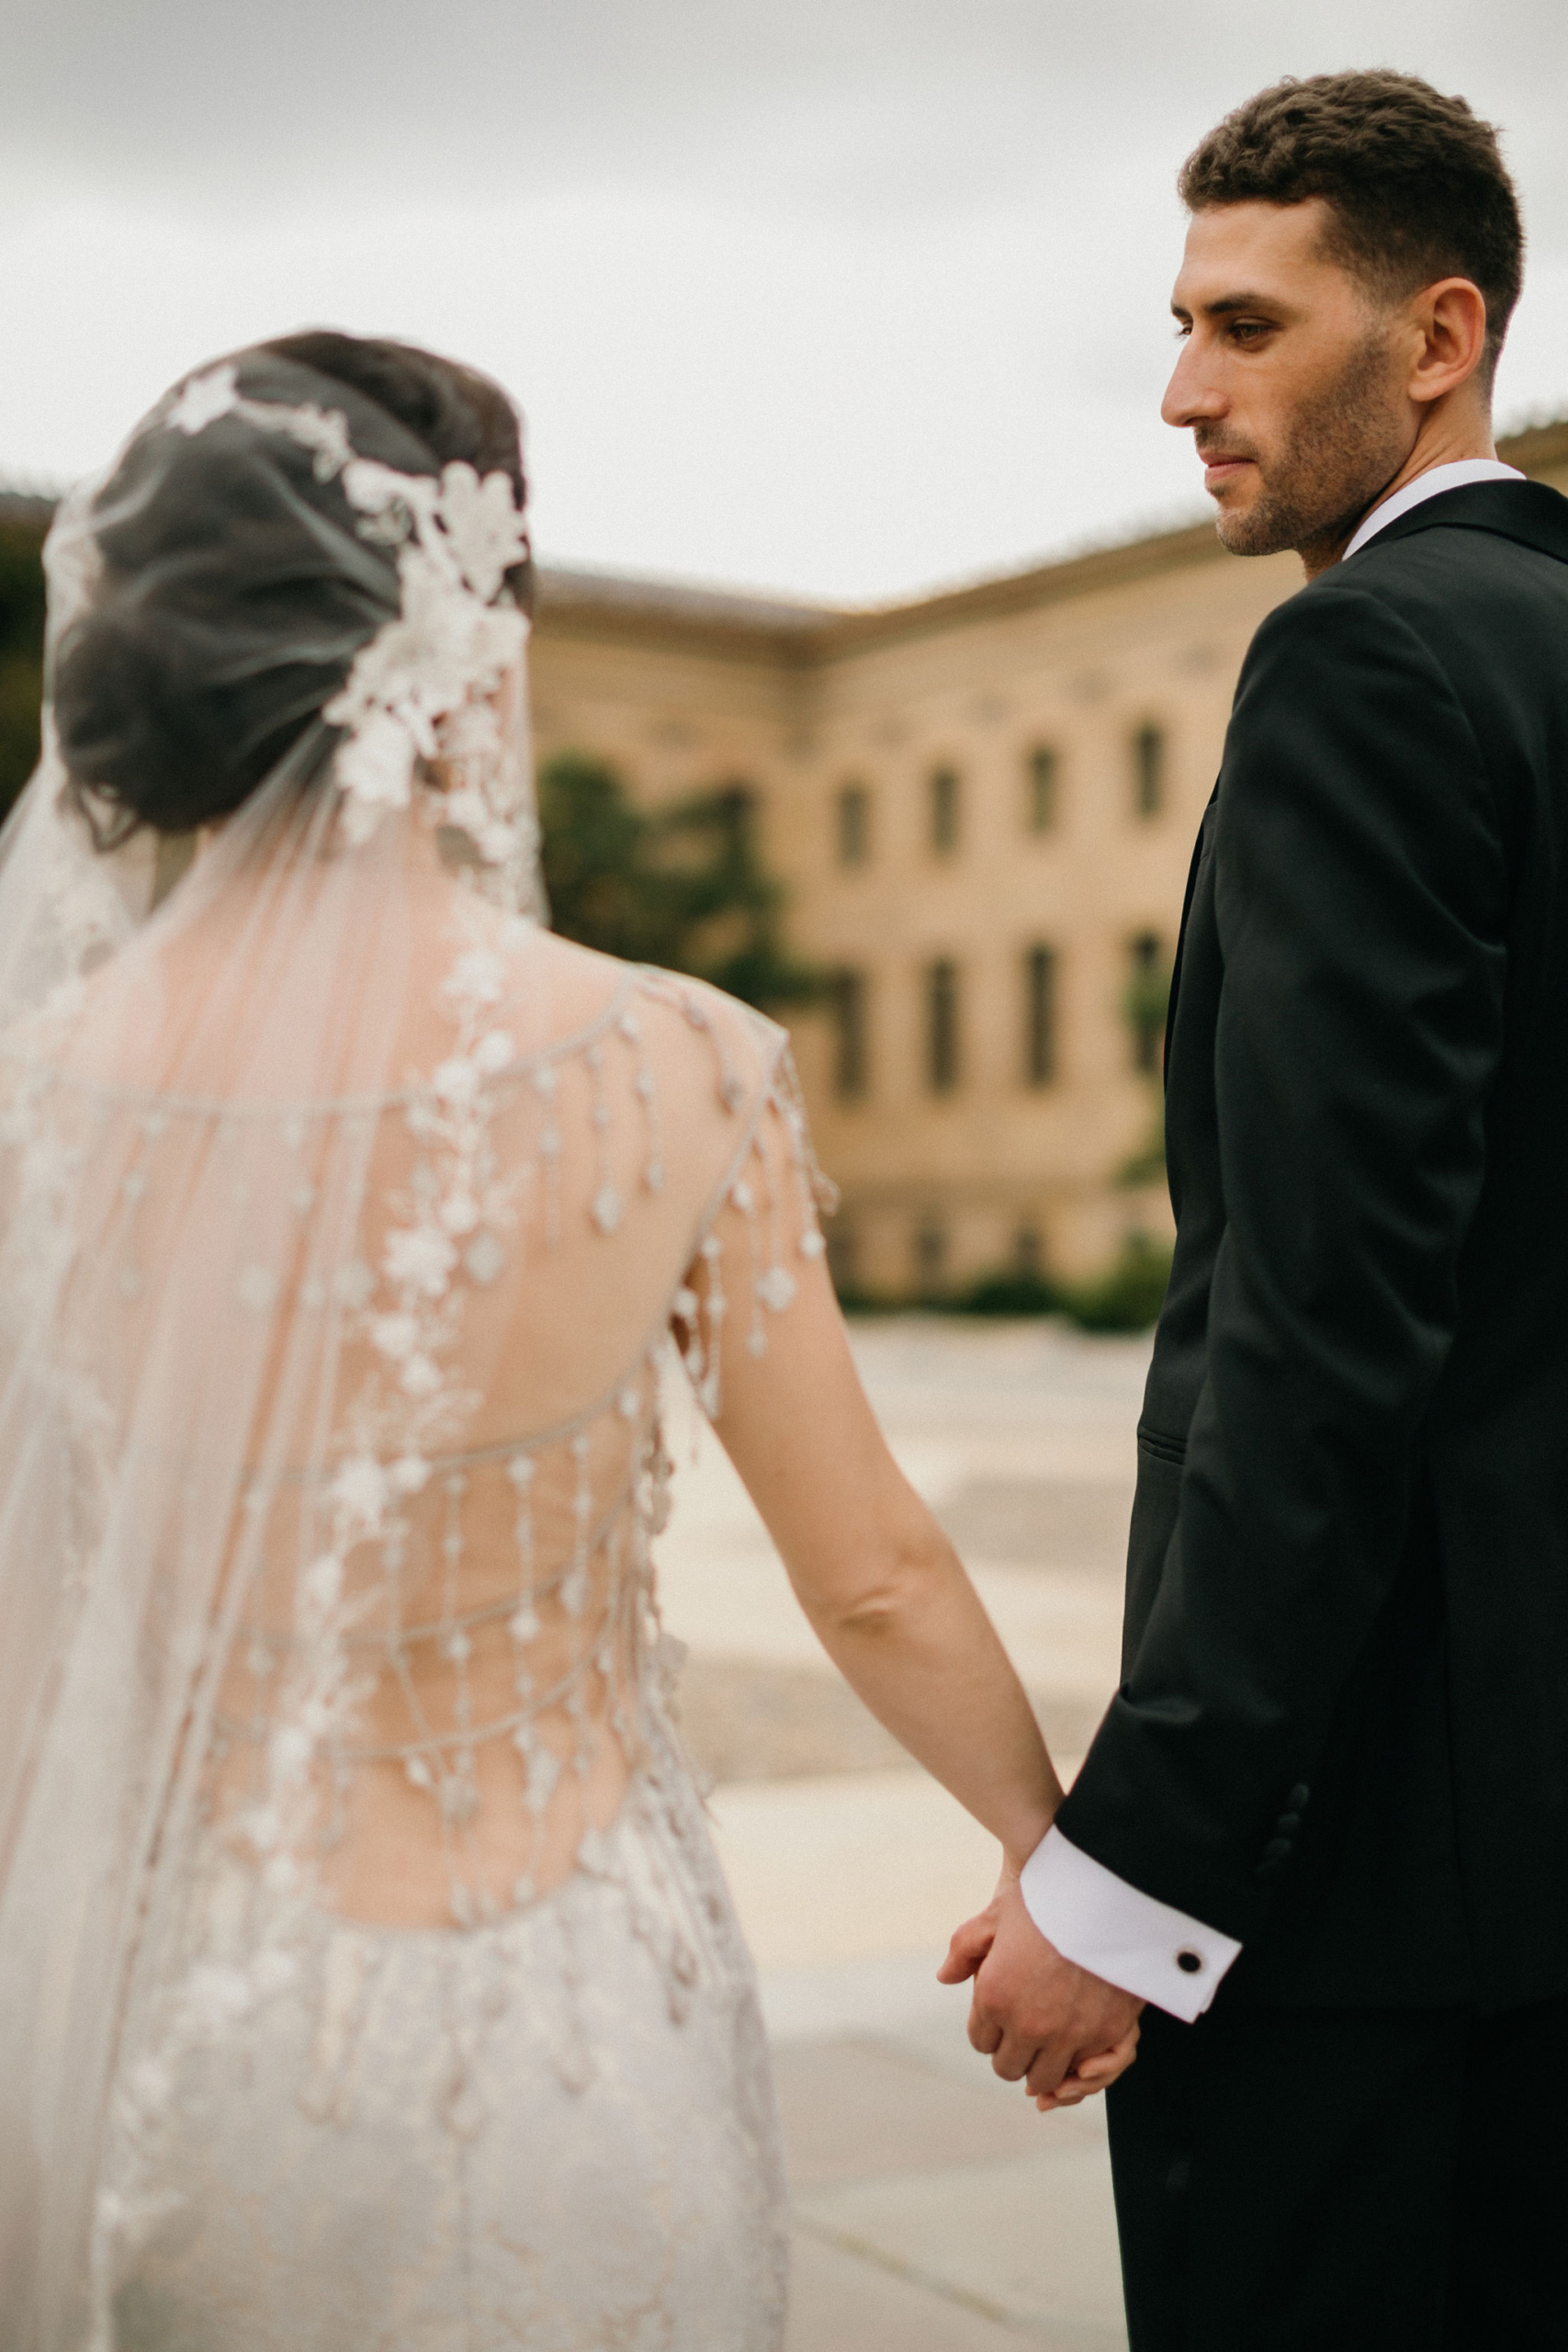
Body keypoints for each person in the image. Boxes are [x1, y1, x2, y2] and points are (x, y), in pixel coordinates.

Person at [0, 333, 1134, 2352]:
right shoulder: (669, 1062)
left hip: (179, 2032)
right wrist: (1059, 1857)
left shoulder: (39, 1099)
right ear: (465, 650)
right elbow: (864, 1569)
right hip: (567, 2018)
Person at [941, 67, 1568, 2349]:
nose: (1184, 391)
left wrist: (1134, 1873)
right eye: (1178, 326)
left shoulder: (1363, 660)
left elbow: (1318, 1331)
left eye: (1244, 325)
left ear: (1434, 336)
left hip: (1382, 1888)